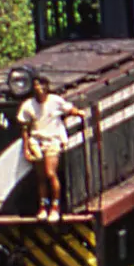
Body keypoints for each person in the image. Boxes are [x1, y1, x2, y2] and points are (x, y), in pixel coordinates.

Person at [18, 75, 87, 223]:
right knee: (41, 176)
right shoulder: (28, 105)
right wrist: (26, 149)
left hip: (53, 141)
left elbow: (69, 108)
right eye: (36, 85)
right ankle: (43, 206)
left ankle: (55, 206)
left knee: (50, 173)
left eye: (42, 85)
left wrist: (79, 113)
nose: (39, 88)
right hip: (36, 141)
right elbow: (25, 129)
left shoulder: (55, 101)